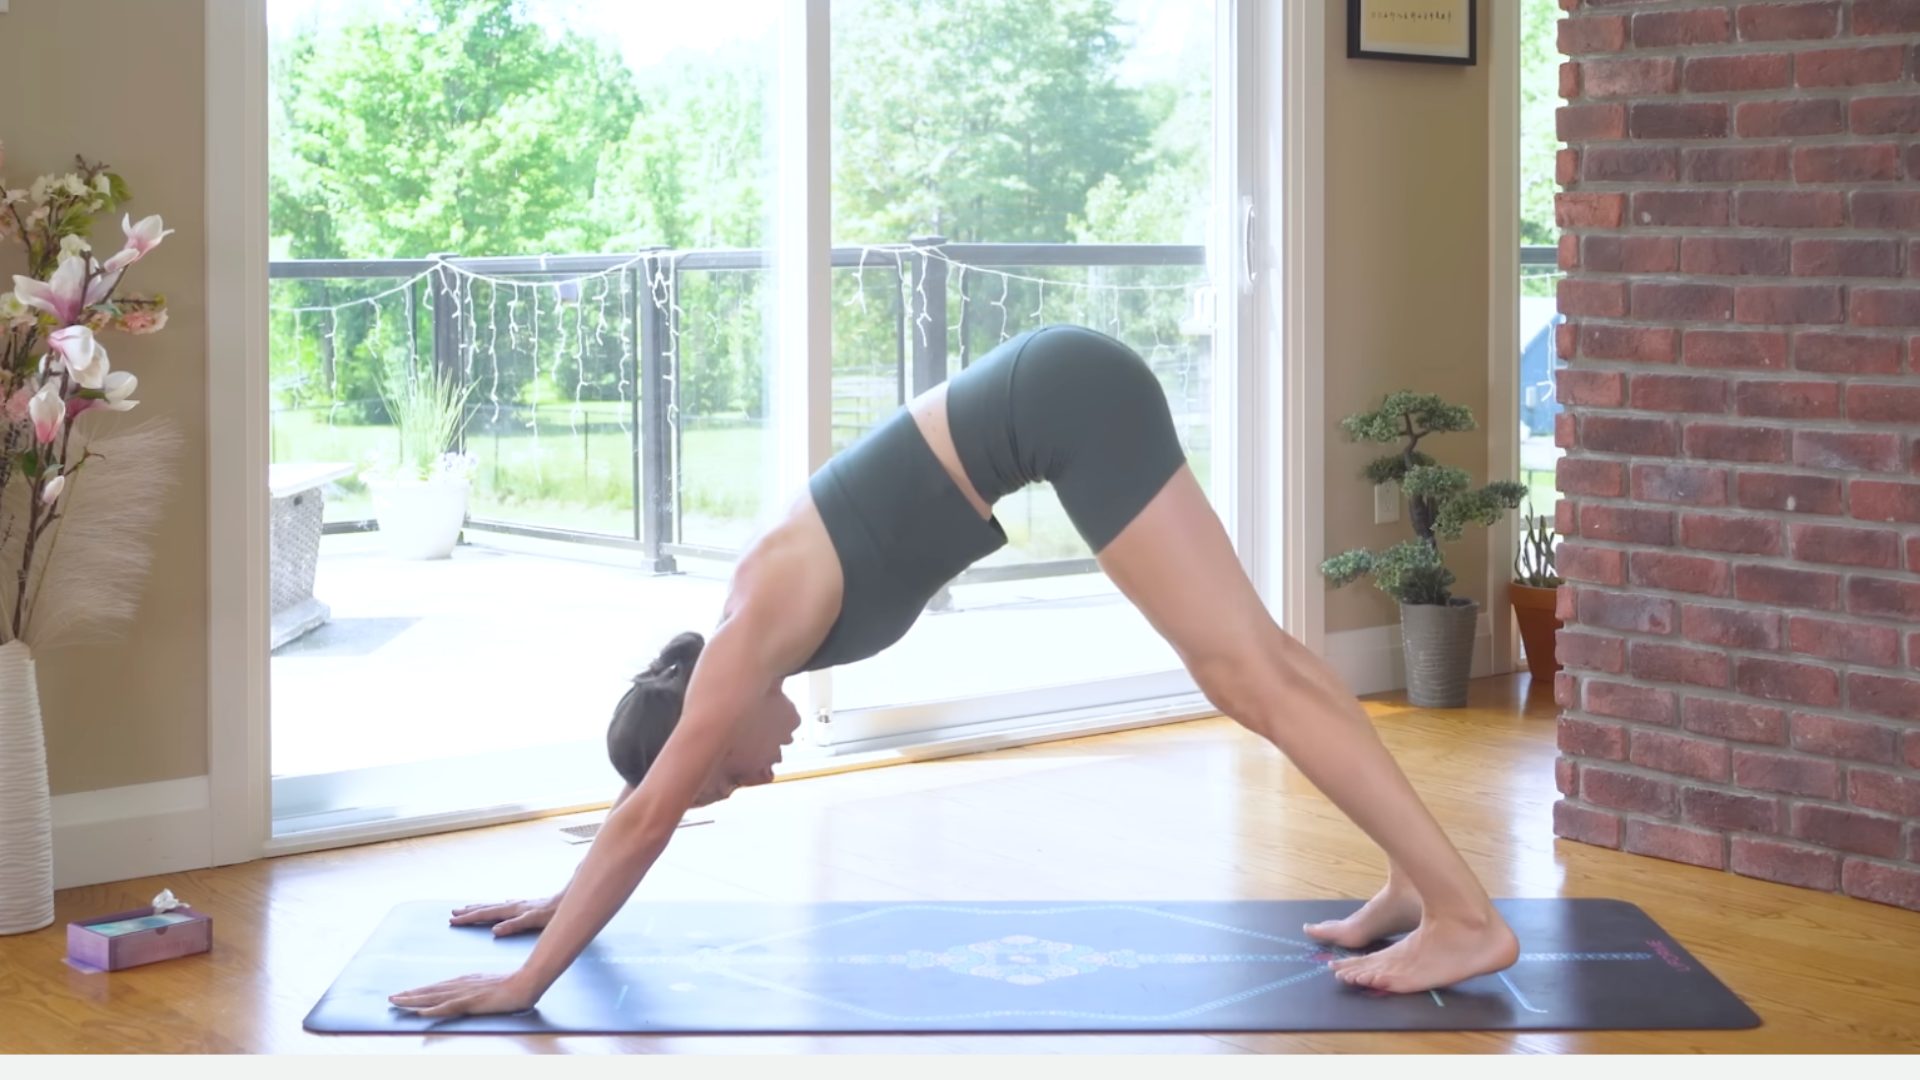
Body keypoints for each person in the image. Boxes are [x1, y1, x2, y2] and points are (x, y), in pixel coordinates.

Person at [388, 325, 1520, 1018]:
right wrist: (551, 906)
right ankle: (1417, 884)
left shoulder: (744, 640)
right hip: (1060, 398)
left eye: (722, 778)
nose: (758, 775)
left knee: (1245, 671)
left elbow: (646, 820)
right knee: (1258, 662)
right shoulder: (742, 641)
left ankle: (1464, 916)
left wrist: (525, 983)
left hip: (1065, 404)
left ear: (700, 719)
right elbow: (648, 809)